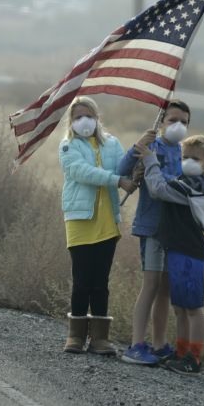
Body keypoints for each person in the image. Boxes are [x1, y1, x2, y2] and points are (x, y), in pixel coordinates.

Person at [134, 134, 204, 375]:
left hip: (190, 254)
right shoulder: (184, 180)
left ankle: (194, 357)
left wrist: (151, 162)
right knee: (180, 307)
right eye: (185, 157)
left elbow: (159, 189)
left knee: (193, 308)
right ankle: (181, 352)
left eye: (195, 158)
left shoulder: (194, 186)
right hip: (179, 252)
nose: (189, 161)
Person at [59, 96, 136, 355]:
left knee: (101, 281)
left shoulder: (112, 144)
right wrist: (117, 181)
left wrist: (140, 154)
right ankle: (76, 336)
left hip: (107, 222)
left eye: (88, 115)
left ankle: (100, 339)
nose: (84, 121)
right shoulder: (68, 146)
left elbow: (124, 168)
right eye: (78, 117)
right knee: (82, 280)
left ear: (97, 117)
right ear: (71, 121)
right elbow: (82, 172)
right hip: (81, 221)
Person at [119, 99, 191, 366]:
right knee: (150, 286)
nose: (178, 126)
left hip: (174, 231)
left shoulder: (184, 153)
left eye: (184, 122)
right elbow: (121, 170)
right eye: (173, 120)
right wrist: (139, 146)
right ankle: (136, 344)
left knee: (165, 290)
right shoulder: (151, 147)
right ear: (161, 123)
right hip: (152, 228)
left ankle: (159, 344)